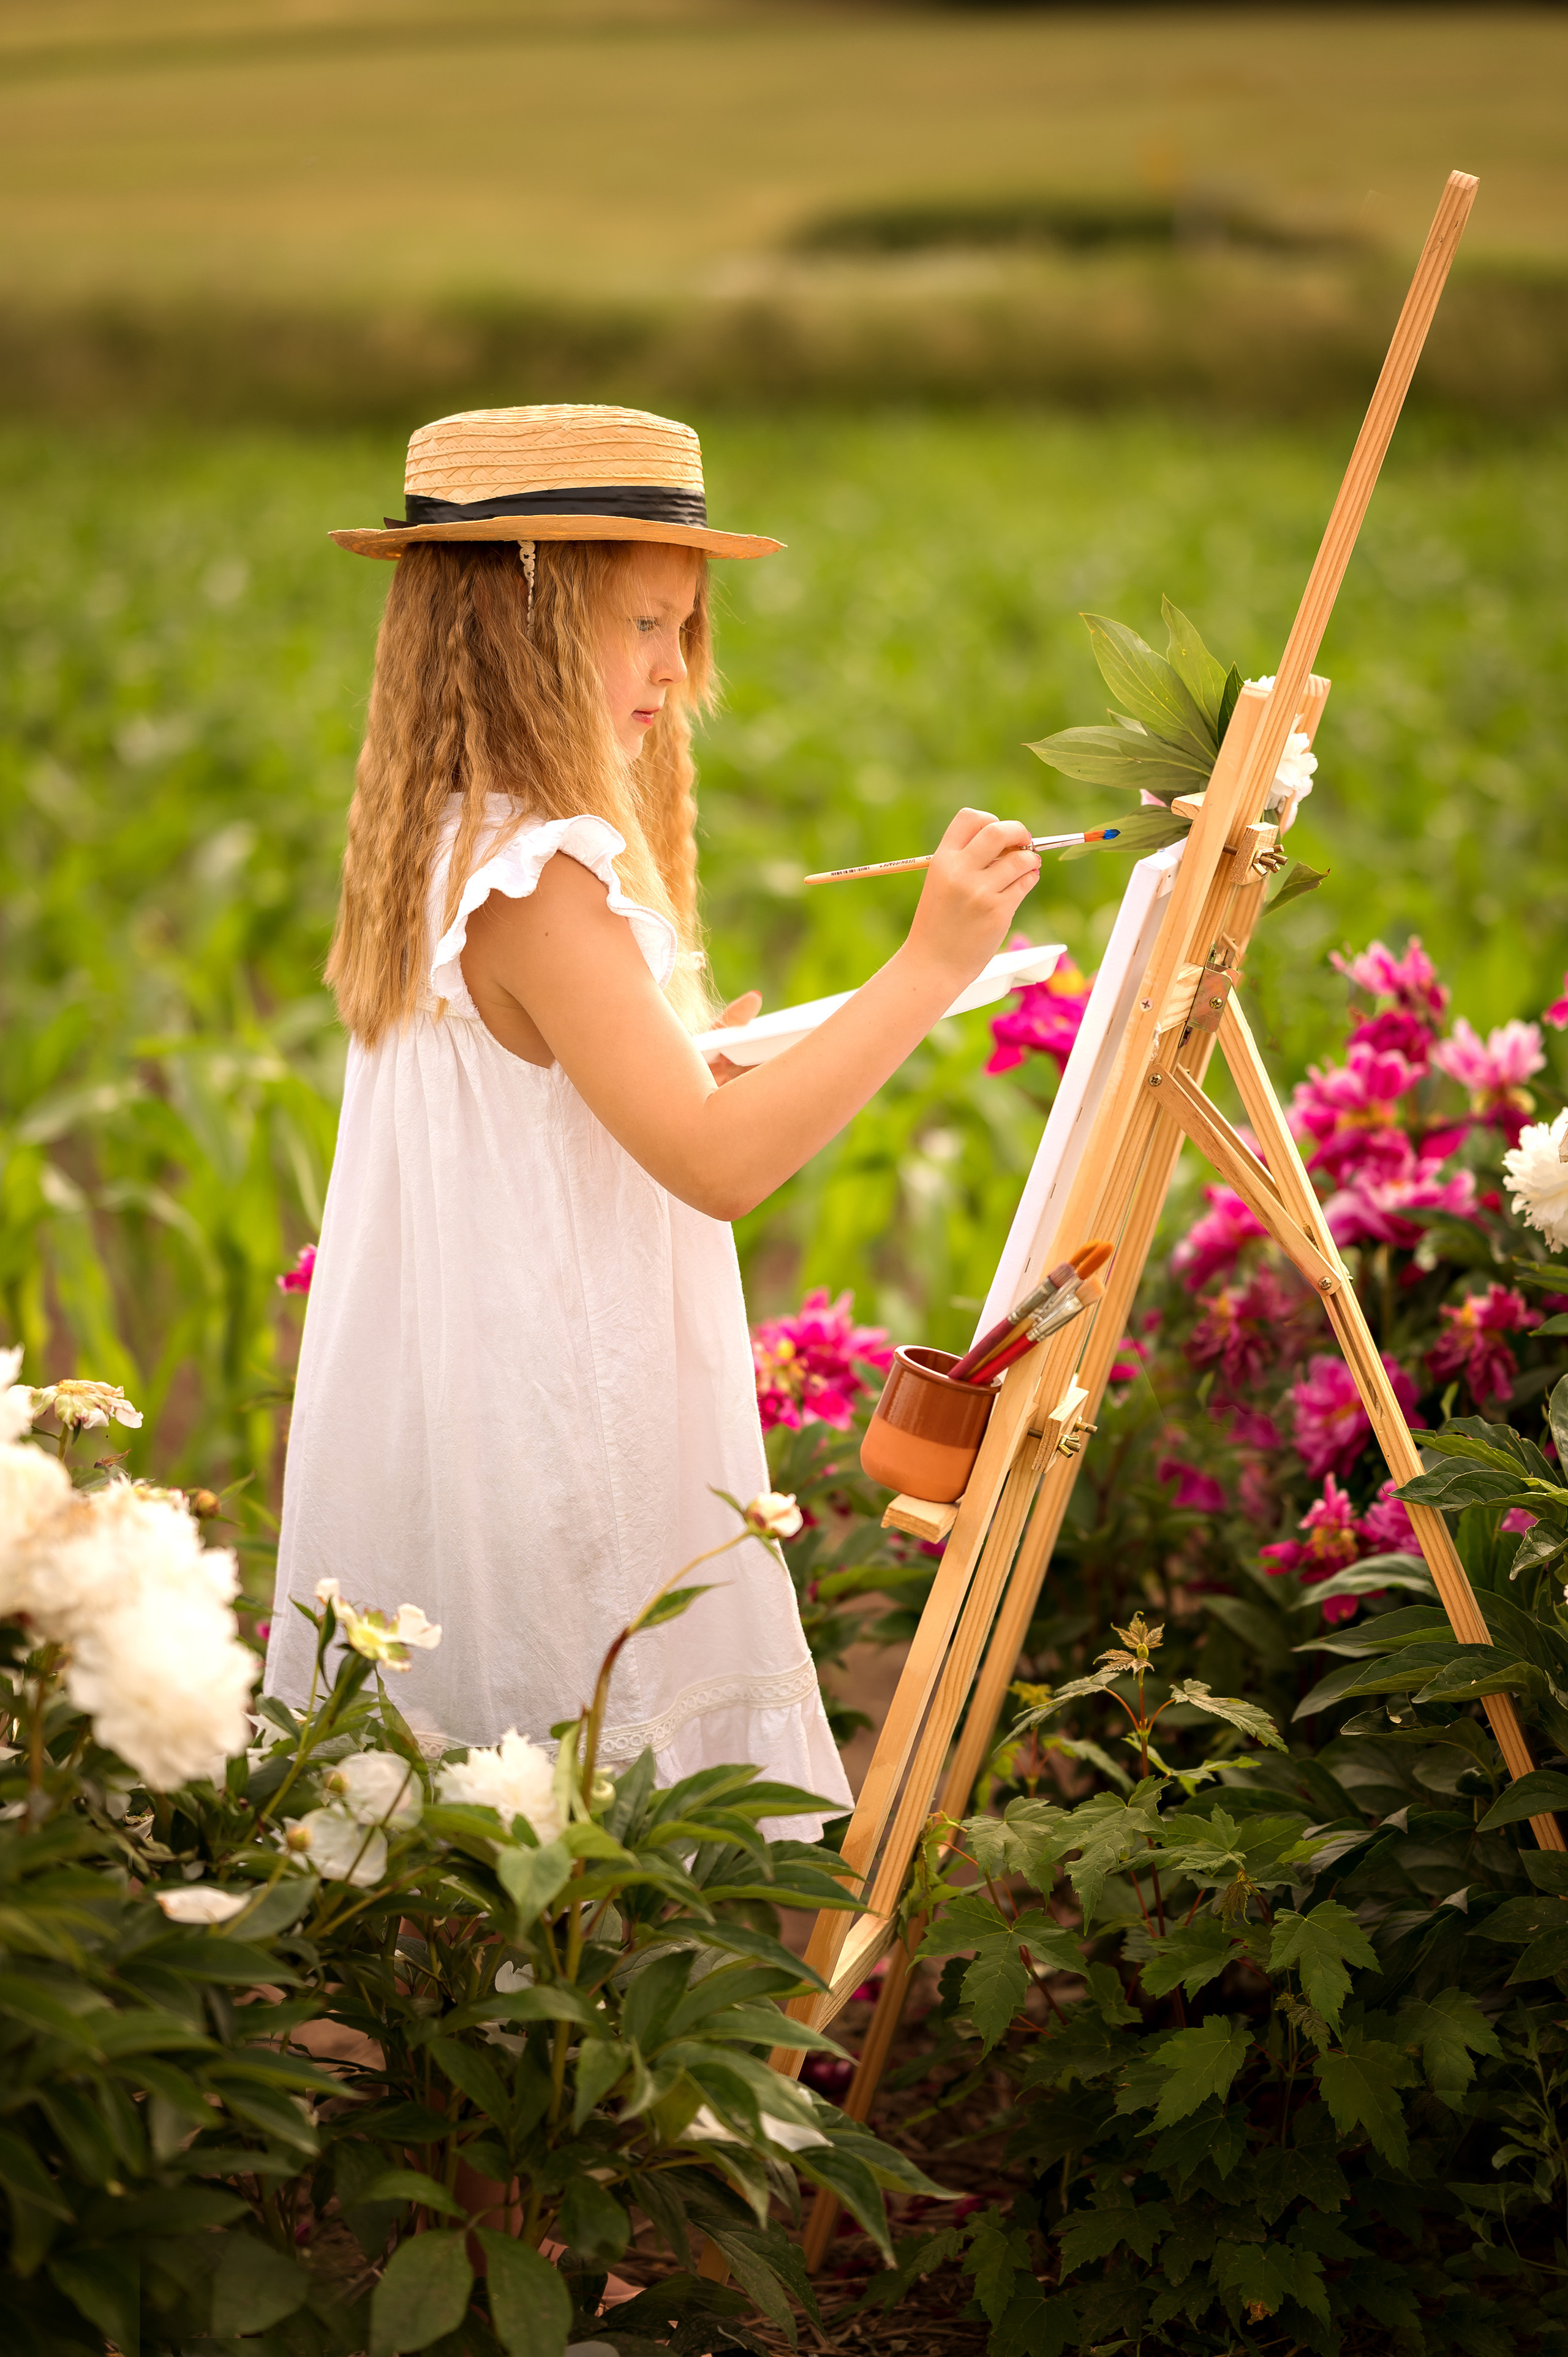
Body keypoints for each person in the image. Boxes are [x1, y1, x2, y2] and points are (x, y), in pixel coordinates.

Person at [262, 404, 1040, 1830]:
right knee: (578, 1819)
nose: (676, 669)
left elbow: (588, 1111)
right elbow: (715, 1164)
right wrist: (932, 966)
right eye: (641, 625)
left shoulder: (456, 833)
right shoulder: (539, 874)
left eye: (684, 628)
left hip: (486, 1413)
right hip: (558, 1443)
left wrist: (689, 1062)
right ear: (520, 623)